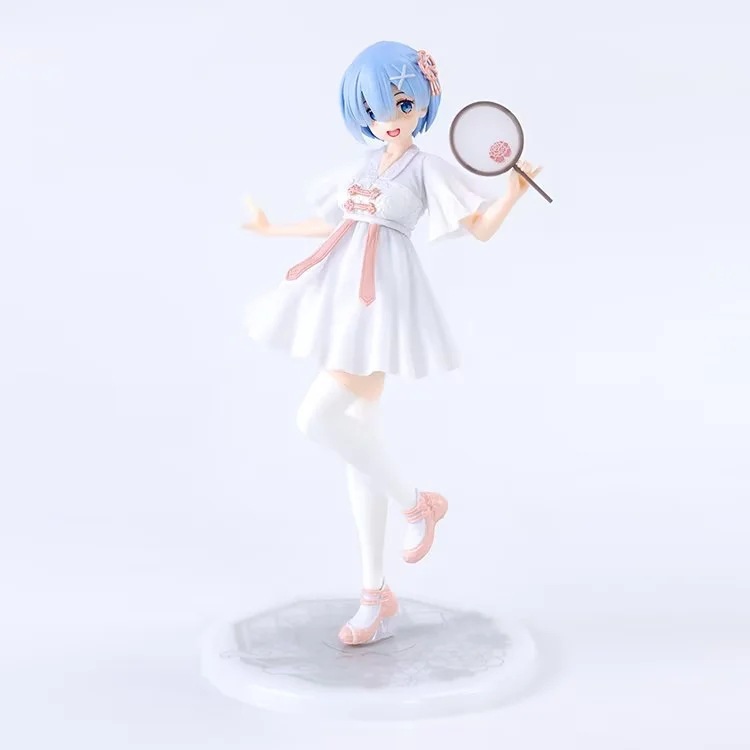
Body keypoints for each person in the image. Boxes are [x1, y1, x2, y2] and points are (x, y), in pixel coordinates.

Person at [241, 40, 542, 646]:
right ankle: (374, 595)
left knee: (316, 418)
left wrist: (512, 193)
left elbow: (478, 229)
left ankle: (416, 504)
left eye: (402, 103)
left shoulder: (427, 169)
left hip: (378, 303)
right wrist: (273, 230)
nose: (389, 118)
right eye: (375, 108)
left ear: (423, 102)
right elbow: (336, 222)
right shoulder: (363, 166)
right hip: (340, 298)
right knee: (361, 444)